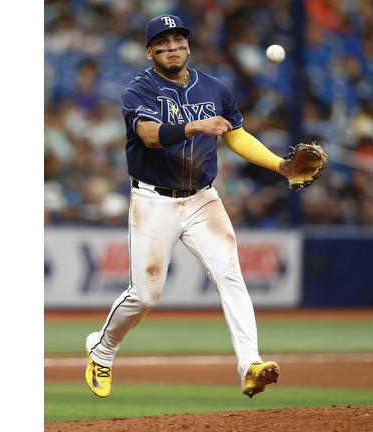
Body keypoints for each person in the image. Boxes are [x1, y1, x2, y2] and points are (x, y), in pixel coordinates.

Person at [85, 14, 288, 399]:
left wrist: (280, 165)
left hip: (202, 198)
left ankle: (251, 364)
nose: (172, 47)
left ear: (188, 45)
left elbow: (238, 137)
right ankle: (102, 348)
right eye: (162, 42)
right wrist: (196, 126)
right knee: (145, 295)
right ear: (149, 51)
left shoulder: (214, 89)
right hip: (153, 199)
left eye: (178, 39)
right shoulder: (139, 90)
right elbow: (148, 135)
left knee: (230, 275)